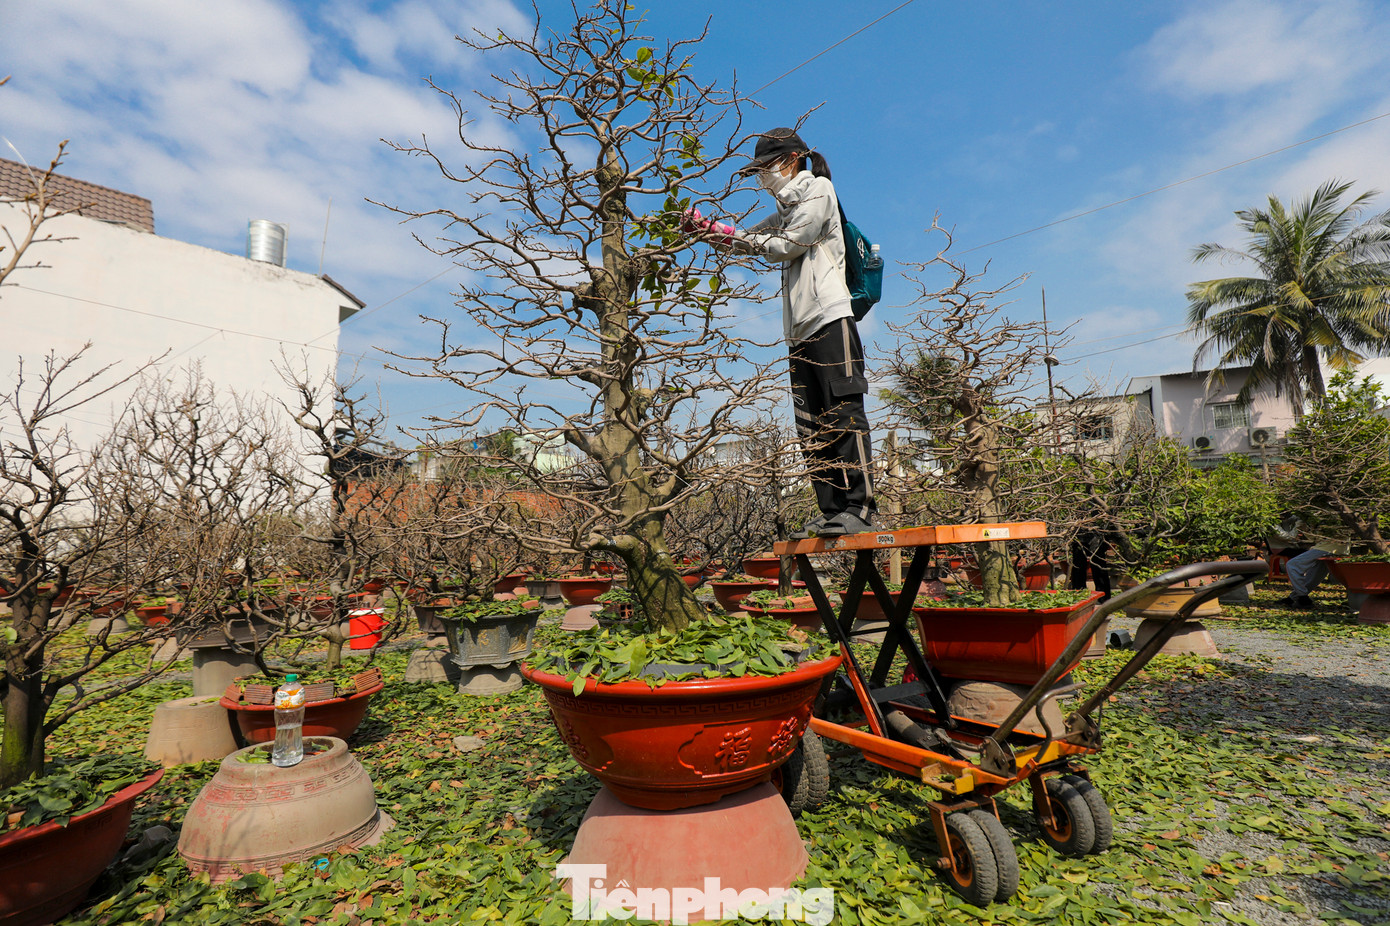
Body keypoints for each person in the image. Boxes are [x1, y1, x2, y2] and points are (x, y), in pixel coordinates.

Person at [685, 127, 877, 538]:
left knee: (843, 413)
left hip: (830, 318)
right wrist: (711, 231)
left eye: (765, 167)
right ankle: (832, 510)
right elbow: (753, 238)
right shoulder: (786, 207)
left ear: (791, 160)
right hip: (798, 331)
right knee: (811, 424)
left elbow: (787, 245)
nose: (762, 176)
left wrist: (731, 235)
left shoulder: (819, 190)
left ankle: (859, 508)